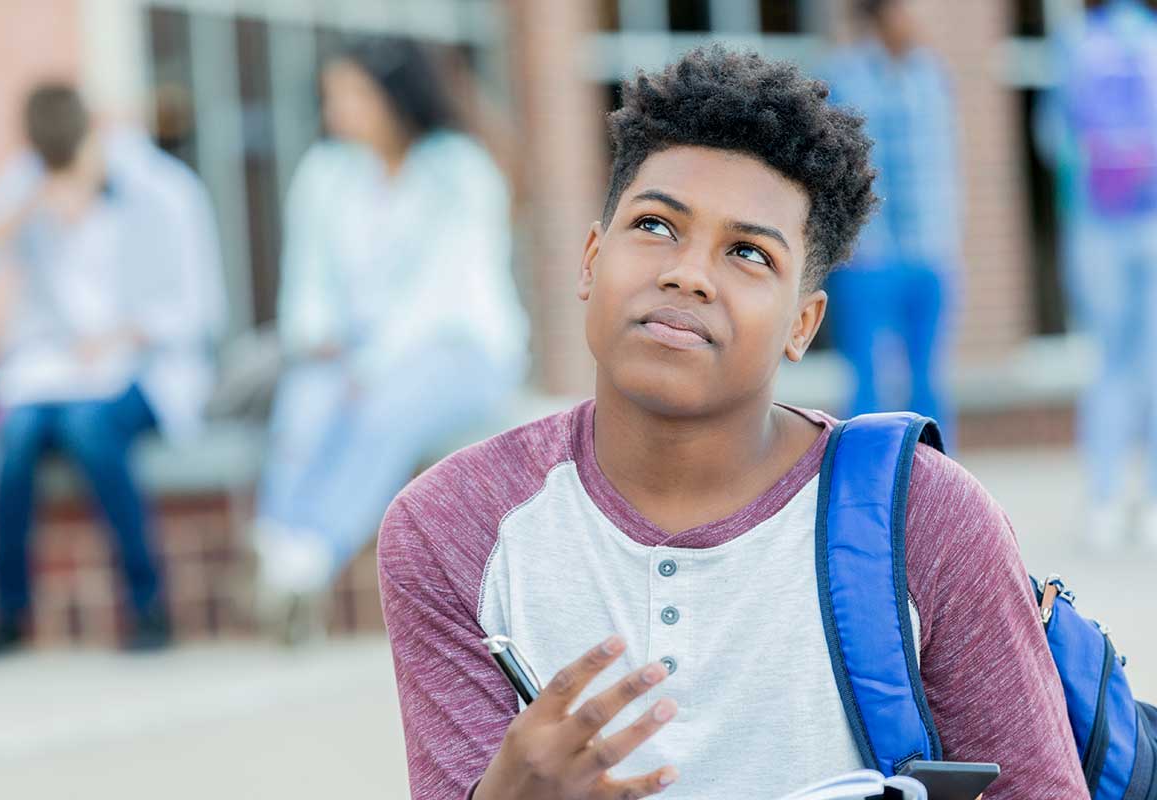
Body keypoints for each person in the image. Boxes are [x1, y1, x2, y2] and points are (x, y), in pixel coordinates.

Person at [377, 46, 1086, 799]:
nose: (688, 273)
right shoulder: (451, 528)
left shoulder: (927, 520)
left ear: (803, 325)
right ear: (590, 259)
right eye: (655, 226)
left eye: (747, 252)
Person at [250, 36, 529, 630]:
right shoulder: (326, 172)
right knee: (304, 401)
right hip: (351, 349)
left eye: (351, 94)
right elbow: (308, 276)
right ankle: (279, 542)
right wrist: (319, 336)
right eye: (332, 96)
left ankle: (308, 557)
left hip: (458, 347)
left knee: (383, 411)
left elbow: (441, 292)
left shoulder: (459, 169)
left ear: (394, 96)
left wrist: (372, 364)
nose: (336, 110)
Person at [0, 84, 226, 657]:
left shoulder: (164, 192)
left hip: (145, 369)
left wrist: (123, 332)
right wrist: (31, 203)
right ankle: (6, 614)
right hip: (52, 372)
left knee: (89, 428)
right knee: (16, 437)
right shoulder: (30, 182)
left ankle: (147, 603)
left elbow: (197, 310)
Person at [1037, 0, 1157, 553]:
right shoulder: (1150, 37)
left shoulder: (1076, 43)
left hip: (1096, 226)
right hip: (1150, 220)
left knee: (1107, 363)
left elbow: (1051, 137)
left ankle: (1105, 501)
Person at [822, 0, 961, 433]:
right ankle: (870, 487)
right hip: (869, 259)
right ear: (881, 14)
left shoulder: (932, 76)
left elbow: (947, 163)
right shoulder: (841, 78)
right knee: (869, 384)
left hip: (931, 251)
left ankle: (938, 485)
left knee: (930, 382)